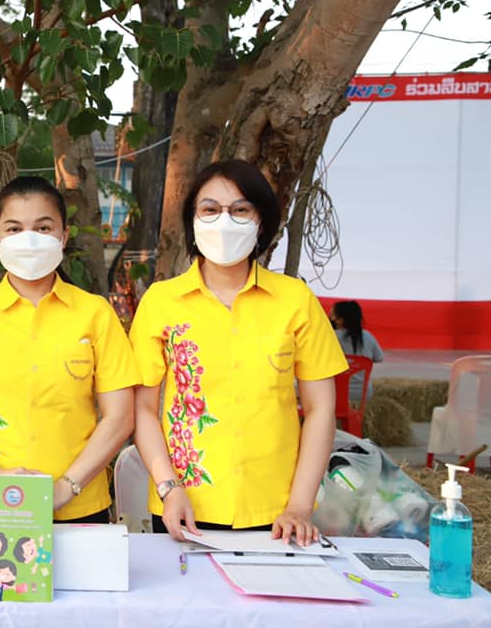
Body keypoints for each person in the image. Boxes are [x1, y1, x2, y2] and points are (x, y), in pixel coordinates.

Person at [129, 159, 347, 546]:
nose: (224, 221)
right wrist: (168, 489)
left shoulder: (296, 301)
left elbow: (320, 409)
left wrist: (299, 506)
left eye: (240, 210)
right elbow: (143, 409)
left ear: (260, 222)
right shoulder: (160, 302)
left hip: (277, 513)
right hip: (184, 506)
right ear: (192, 221)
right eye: (210, 209)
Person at [0, 176, 140, 523]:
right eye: (14, 229)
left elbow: (120, 416)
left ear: (64, 236)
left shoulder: (95, 313)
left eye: (43, 227)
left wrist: (67, 487)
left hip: (79, 505)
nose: (29, 238)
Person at [330, 300, 384, 402]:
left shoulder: (331, 337)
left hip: (336, 393)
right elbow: (379, 358)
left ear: (340, 320)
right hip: (364, 393)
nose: (330, 318)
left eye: (332, 315)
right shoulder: (368, 336)